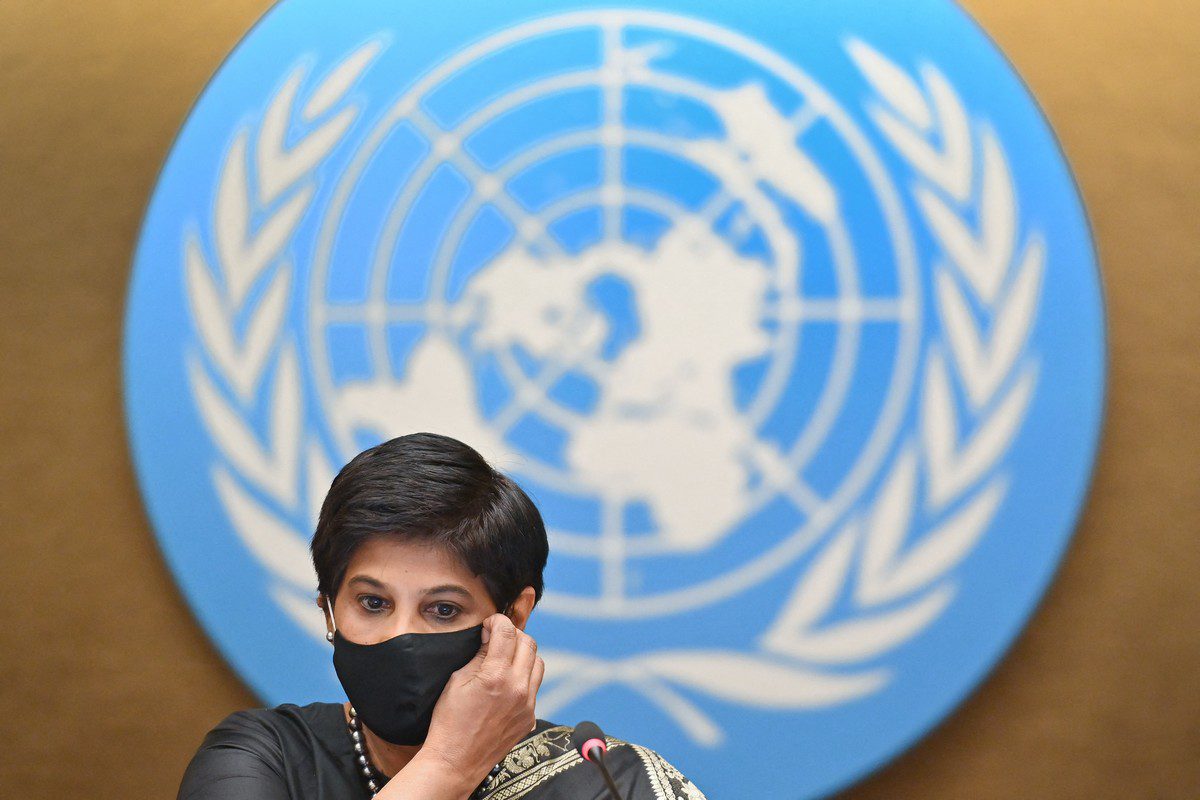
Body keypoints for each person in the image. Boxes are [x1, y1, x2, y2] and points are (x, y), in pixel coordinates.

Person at [178, 432, 707, 800]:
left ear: (513, 618)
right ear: (327, 609)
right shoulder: (261, 758)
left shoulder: (606, 781)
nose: (400, 632)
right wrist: (451, 764)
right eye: (373, 603)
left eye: (443, 609)